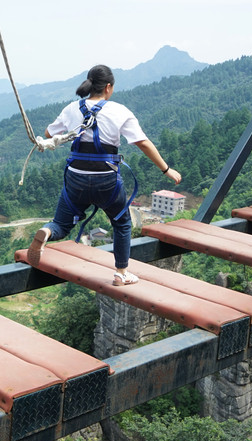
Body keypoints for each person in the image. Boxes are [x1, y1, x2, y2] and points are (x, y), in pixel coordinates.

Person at [27, 64, 181, 285]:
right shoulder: (119, 111)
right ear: (108, 87)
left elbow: (49, 133)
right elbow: (143, 143)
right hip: (106, 180)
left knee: (61, 223)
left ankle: (46, 232)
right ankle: (121, 273)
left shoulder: (72, 108)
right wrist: (166, 169)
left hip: (76, 178)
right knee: (121, 223)